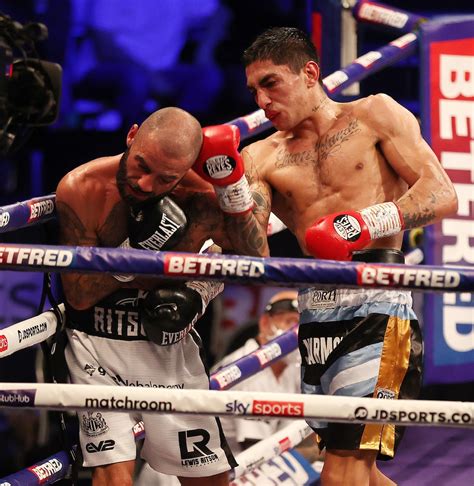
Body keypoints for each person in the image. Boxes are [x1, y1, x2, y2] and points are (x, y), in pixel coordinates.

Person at [191, 27, 458, 486]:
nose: (262, 101)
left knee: (340, 472)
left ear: (310, 73)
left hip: (377, 306)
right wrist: (231, 189)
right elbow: (254, 250)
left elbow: (442, 193)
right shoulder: (260, 156)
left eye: (271, 83)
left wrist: (362, 223)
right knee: (358, 470)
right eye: (254, 91)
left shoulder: (374, 114)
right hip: (315, 315)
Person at [55, 107, 237, 485]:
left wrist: (200, 292)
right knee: (113, 478)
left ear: (184, 171)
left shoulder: (199, 197)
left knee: (209, 481)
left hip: (167, 352)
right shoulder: (83, 187)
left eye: (165, 178)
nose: (145, 183)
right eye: (142, 165)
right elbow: (79, 296)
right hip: (95, 347)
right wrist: (135, 255)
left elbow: (249, 258)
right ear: (131, 135)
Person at [213, 290, 301, 452]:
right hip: (224, 460)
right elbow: (256, 450)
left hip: (249, 457)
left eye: (301, 326)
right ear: (265, 324)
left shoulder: (290, 368)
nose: (297, 333)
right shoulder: (246, 369)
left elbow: (295, 433)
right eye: (290, 322)